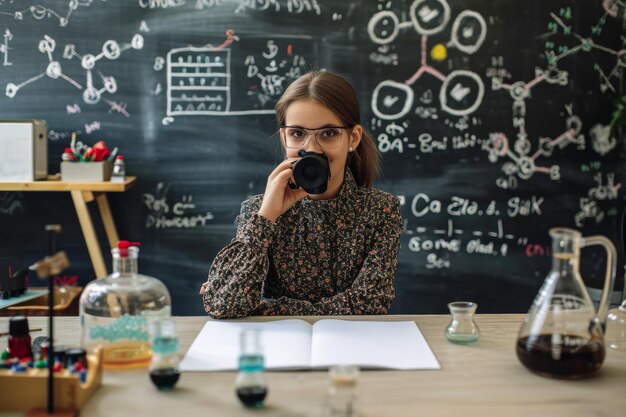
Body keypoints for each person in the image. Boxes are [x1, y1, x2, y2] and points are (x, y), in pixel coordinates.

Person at [199, 70, 403, 318]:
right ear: (284, 137)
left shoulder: (381, 210)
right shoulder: (258, 211)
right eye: (298, 134)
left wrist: (263, 308)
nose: (312, 149)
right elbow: (223, 305)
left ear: (353, 138)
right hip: (280, 349)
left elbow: (371, 303)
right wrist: (266, 218)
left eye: (328, 133)